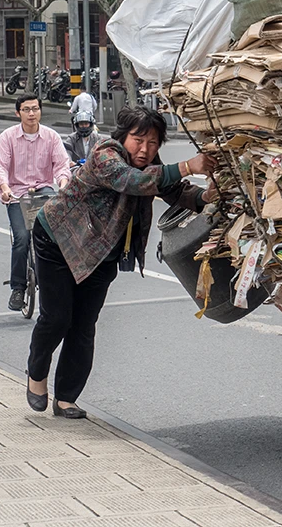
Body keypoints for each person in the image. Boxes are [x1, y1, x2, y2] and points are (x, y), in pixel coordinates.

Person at [25, 106, 218, 418]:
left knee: (84, 324)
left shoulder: (150, 167)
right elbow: (130, 180)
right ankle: (36, 375)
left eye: (153, 143)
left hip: (102, 253)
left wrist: (206, 197)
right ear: (122, 136)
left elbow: (175, 191)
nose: (145, 149)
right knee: (58, 318)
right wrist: (188, 165)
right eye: (138, 140)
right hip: (58, 240)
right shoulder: (106, 154)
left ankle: (66, 398)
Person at [0, 94, 71, 311]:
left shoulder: (51, 136)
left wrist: (63, 184)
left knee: (52, 237)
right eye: (26, 109)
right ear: (18, 113)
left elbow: (61, 165)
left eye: (35, 109)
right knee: (22, 237)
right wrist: (5, 188)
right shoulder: (7, 137)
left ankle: (57, 283)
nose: (31, 114)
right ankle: (18, 288)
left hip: (43, 191)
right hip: (16, 194)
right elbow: (0, 166)